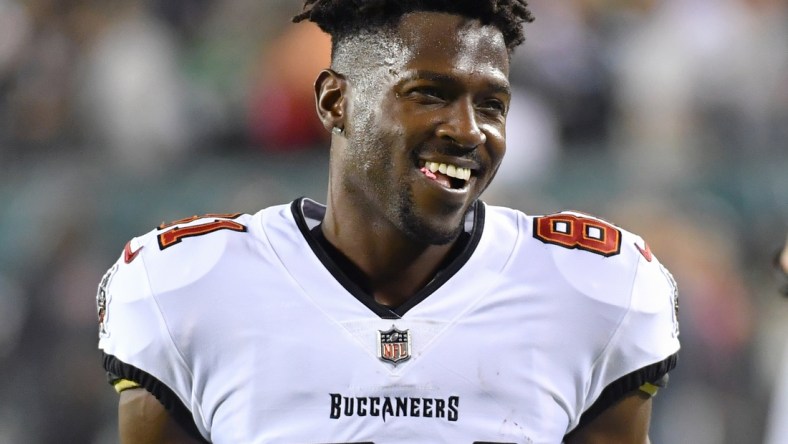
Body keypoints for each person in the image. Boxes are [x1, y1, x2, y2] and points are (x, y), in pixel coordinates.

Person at [95, 1, 680, 442]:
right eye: (429, 93)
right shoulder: (193, 288)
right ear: (334, 101)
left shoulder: (589, 292)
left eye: (492, 105)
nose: (469, 130)